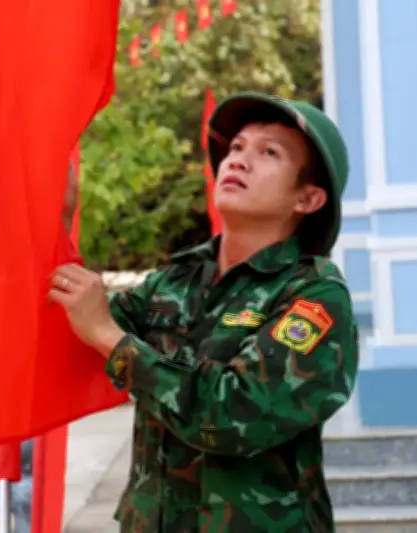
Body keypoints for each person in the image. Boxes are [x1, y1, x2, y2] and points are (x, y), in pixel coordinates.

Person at [47, 92, 358, 532]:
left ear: (307, 199)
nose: (239, 160)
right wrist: (55, 224)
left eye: (268, 152)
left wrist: (111, 338)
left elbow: (233, 416)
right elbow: (66, 332)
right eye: (236, 147)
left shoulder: (313, 296)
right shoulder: (176, 280)